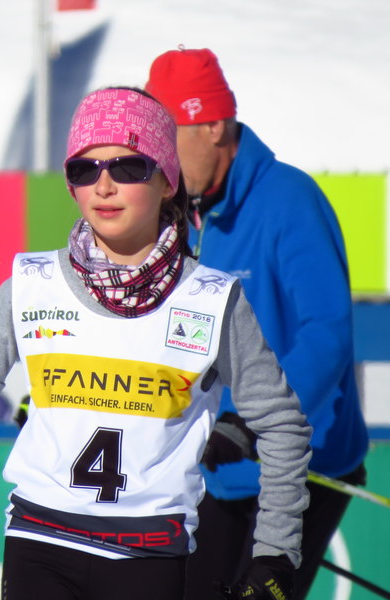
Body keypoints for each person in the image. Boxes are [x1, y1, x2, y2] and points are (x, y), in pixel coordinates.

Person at [0, 86, 312, 600]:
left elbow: (281, 425)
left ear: (167, 180)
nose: (103, 185)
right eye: (84, 169)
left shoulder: (211, 299)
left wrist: (275, 555)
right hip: (39, 544)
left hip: (148, 555)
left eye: (127, 167)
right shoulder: (32, 284)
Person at [145, 47, 369, 600]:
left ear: (214, 126)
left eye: (170, 137)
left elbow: (327, 333)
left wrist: (251, 420)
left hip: (301, 463)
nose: (159, 157)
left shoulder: (290, 201)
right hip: (219, 466)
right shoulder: (183, 213)